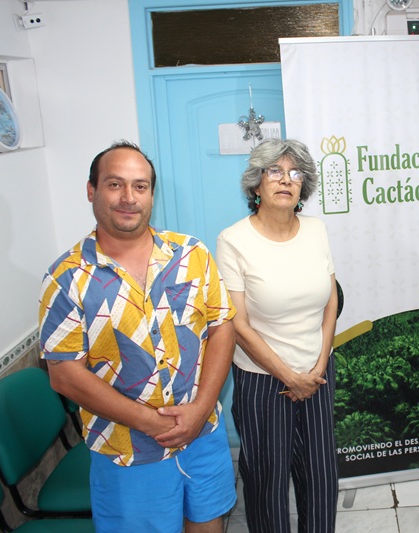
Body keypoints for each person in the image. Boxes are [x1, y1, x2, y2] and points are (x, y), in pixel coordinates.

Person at [38, 141, 237, 533]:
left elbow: (221, 327)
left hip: (202, 436)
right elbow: (65, 375)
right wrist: (151, 423)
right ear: (92, 190)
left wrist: (200, 409)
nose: (129, 197)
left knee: (208, 525)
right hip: (127, 453)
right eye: (115, 184)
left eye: (140, 186)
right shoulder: (66, 278)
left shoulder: (192, 255)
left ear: (151, 194)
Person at [215, 138, 339, 533]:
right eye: (275, 171)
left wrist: (320, 362)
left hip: (318, 376)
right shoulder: (233, 240)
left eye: (295, 173)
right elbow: (238, 324)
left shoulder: (316, 230)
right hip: (263, 381)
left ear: (304, 186)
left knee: (321, 476)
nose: (286, 180)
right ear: (256, 184)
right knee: (267, 483)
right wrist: (288, 376)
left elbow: (331, 300)